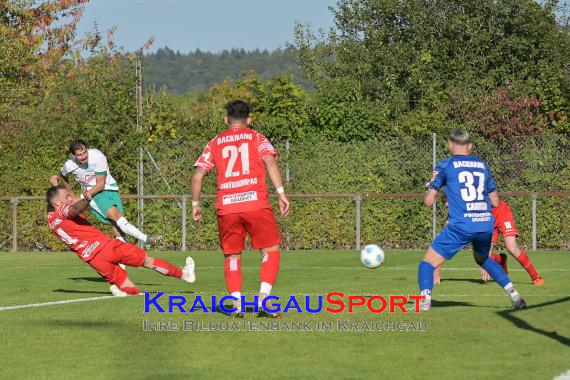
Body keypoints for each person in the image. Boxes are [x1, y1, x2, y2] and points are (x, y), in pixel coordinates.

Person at [191, 99, 290, 318]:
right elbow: (270, 162)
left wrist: (195, 204)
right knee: (270, 250)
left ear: (226, 119)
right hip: (256, 203)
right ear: (249, 119)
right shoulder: (257, 137)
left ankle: (236, 303)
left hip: (227, 207)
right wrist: (281, 193)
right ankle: (264, 297)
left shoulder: (215, 142)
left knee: (232, 256)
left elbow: (198, 175)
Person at [419, 128, 525, 310]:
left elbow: (428, 201)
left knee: (427, 263)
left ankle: (425, 303)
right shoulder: (482, 165)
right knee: (482, 259)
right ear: (470, 146)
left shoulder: (446, 165)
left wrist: (443, 193)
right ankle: (516, 296)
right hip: (485, 223)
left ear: (450, 144)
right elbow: (495, 201)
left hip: (461, 224)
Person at [46, 185, 195, 296]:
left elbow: (62, 206)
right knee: (148, 261)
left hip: (94, 260)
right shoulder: (64, 210)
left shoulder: (50, 219)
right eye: (67, 196)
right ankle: (184, 274)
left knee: (130, 288)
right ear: (58, 203)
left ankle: (123, 292)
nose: (71, 198)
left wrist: (56, 187)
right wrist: (86, 200)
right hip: (107, 247)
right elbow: (72, 210)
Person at [50, 139, 152, 245]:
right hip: (96, 194)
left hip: (107, 188)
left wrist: (85, 194)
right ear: (74, 156)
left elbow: (101, 184)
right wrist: (70, 193)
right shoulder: (70, 165)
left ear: (87, 149)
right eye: (79, 155)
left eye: (85, 152)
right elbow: (63, 174)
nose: (83, 156)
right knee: (118, 219)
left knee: (116, 225)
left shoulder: (97, 156)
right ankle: (146, 239)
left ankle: (123, 255)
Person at [434, 198, 543, 286]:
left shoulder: (469, 198)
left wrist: (484, 261)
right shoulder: (456, 213)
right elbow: (446, 241)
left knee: (511, 247)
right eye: (448, 207)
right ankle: (501, 259)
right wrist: (437, 270)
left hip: (501, 213)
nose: (451, 208)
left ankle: (536, 277)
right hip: (487, 221)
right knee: (482, 255)